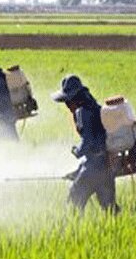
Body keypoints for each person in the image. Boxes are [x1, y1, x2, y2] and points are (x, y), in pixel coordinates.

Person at [51, 75, 120, 214]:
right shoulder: (94, 107)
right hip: (106, 166)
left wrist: (77, 151)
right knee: (110, 209)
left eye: (67, 102)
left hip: (94, 168)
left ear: (73, 99)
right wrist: (77, 172)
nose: (67, 105)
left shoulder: (83, 112)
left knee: (74, 202)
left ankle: (72, 232)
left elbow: (88, 143)